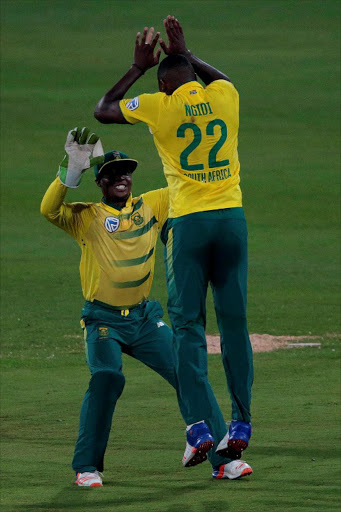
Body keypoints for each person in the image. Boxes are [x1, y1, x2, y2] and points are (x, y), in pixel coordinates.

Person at [40, 127, 252, 486]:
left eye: (126, 172)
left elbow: (189, 189)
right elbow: (49, 209)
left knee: (190, 373)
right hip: (103, 319)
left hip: (144, 318)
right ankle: (87, 467)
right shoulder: (86, 217)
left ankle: (222, 458)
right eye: (112, 174)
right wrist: (70, 170)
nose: (122, 178)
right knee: (107, 377)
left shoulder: (152, 204)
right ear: (100, 182)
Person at [94, 15, 254, 473]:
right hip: (232, 219)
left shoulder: (159, 105)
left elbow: (104, 108)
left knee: (187, 326)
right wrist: (187, 50)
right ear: (195, 79)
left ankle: (200, 427)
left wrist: (138, 67)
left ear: (164, 86)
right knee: (235, 323)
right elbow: (222, 79)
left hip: (188, 224)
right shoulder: (225, 97)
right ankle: (240, 424)